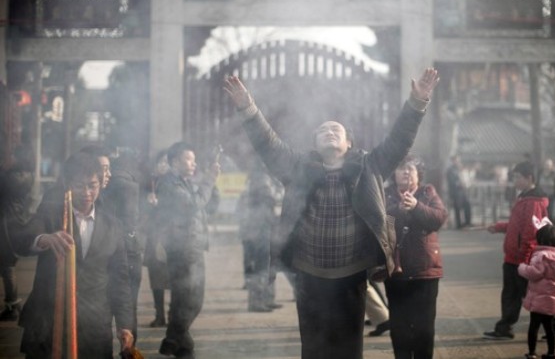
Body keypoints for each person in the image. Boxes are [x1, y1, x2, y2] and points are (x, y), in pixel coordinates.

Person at [223, 67, 439, 359]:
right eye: (323, 130)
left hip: (351, 272)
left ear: (348, 143)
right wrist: (248, 108)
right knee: (313, 348)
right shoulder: (298, 169)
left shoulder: (370, 166)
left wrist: (416, 103)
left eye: (335, 129)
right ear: (315, 144)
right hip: (309, 272)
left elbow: (400, 139)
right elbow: (268, 144)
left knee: (349, 347)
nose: (329, 132)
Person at [14, 152, 134, 358]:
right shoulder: (52, 214)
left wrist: (125, 324)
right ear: (68, 184)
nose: (86, 192)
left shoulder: (113, 225)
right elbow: (23, 238)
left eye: (92, 185)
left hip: (94, 327)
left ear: (100, 185)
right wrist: (45, 239)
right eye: (79, 185)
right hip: (49, 322)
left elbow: (120, 279)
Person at [158, 141, 220, 359]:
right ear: (175, 161)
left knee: (191, 301)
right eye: (189, 159)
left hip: (194, 248)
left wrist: (212, 180)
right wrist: (209, 180)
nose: (193, 164)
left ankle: (176, 343)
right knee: (186, 301)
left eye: (194, 160)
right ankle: (174, 340)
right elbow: (194, 204)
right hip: (181, 250)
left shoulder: (186, 182)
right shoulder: (169, 185)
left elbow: (209, 206)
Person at [384, 155, 448, 358]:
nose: (406, 172)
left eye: (411, 169)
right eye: (401, 168)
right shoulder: (387, 195)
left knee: (424, 327)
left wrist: (417, 207)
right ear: (394, 173)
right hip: (396, 270)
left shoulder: (427, 192)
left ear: (418, 174)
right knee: (399, 326)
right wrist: (398, 211)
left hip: (425, 270)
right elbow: (379, 222)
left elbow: (439, 218)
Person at [483, 161, 550, 340]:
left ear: (529, 178)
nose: (515, 181)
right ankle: (505, 327)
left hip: (521, 258)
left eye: (518, 177)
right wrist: (498, 227)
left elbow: (530, 232)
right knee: (514, 294)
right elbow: (516, 226)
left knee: (529, 295)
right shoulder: (525, 198)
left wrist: (525, 258)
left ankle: (554, 325)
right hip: (514, 256)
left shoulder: (533, 201)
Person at [102, 149, 142, 343]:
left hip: (107, 248)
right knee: (128, 305)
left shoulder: (105, 185)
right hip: (127, 249)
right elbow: (131, 221)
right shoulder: (129, 186)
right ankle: (129, 348)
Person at [518, 220, 555, 359]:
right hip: (554, 300)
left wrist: (522, 267)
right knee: (549, 328)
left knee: (534, 327)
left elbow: (534, 273)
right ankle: (551, 353)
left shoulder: (541, 256)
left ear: (540, 239)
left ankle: (531, 353)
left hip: (539, 299)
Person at [238, 159, 284, 312]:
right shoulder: (261, 179)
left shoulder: (264, 178)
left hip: (266, 226)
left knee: (269, 265)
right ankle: (256, 302)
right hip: (261, 228)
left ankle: (266, 298)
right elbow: (272, 198)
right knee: (261, 265)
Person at [0, 155, 34, 321]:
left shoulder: (11, 177)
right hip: (14, 221)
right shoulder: (26, 176)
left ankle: (13, 305)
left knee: (7, 265)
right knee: (8, 264)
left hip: (6, 224)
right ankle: (12, 304)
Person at [142, 149, 171, 328]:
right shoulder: (149, 183)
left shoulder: (173, 183)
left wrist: (160, 205)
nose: (162, 166)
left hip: (170, 238)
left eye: (166, 163)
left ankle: (172, 315)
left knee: (174, 279)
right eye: (160, 162)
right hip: (154, 237)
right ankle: (159, 315)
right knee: (156, 279)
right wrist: (147, 202)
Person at [446, 155, 472, 229]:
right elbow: (451, 182)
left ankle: (467, 222)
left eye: (458, 160)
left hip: (463, 191)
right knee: (457, 207)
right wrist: (459, 183)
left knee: (467, 205)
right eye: (456, 160)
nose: (457, 162)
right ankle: (459, 224)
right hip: (456, 192)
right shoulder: (450, 170)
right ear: (453, 161)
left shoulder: (460, 168)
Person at [537, 158, 555, 223]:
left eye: (549, 165)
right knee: (543, 215)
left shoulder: (554, 174)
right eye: (546, 165)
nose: (547, 166)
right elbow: (537, 184)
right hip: (542, 197)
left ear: (551, 166)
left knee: (552, 215)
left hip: (552, 197)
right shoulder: (540, 173)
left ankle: (551, 230)